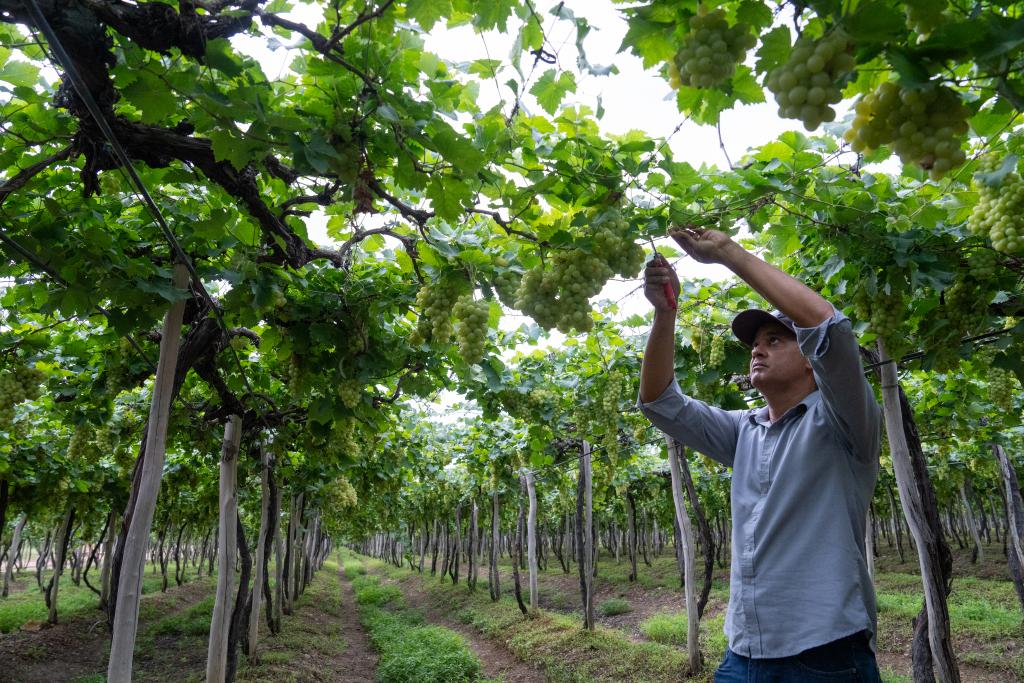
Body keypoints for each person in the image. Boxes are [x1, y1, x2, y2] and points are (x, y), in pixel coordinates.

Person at [639, 226, 883, 683]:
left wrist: (728, 254)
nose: (757, 349)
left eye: (775, 340)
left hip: (825, 654)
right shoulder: (744, 431)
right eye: (755, 343)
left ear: (811, 357)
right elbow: (660, 402)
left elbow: (828, 327)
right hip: (743, 653)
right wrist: (665, 315)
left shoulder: (845, 423)